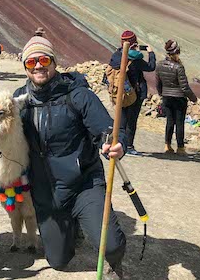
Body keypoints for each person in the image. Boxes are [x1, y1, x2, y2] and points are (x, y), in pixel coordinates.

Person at [13, 33, 127, 280]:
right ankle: (72, 229)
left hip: (83, 184)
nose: (39, 66)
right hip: (46, 193)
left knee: (111, 245)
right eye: (31, 62)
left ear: (54, 62)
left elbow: (107, 129)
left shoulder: (78, 95)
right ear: (25, 67)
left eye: (44, 59)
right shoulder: (20, 99)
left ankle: (114, 264)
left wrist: (115, 143)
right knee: (58, 261)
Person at [107, 31, 156, 156]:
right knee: (132, 120)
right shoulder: (135, 59)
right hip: (135, 93)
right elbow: (151, 67)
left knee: (121, 120)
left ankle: (118, 144)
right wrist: (151, 53)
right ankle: (128, 146)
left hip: (120, 92)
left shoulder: (116, 55)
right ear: (134, 42)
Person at [155, 40, 198, 155]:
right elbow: (184, 87)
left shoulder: (159, 65)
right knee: (179, 123)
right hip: (179, 98)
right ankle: (180, 147)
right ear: (176, 52)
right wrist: (194, 98)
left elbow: (158, 83)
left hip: (166, 97)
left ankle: (167, 145)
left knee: (170, 121)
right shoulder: (179, 67)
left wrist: (161, 94)